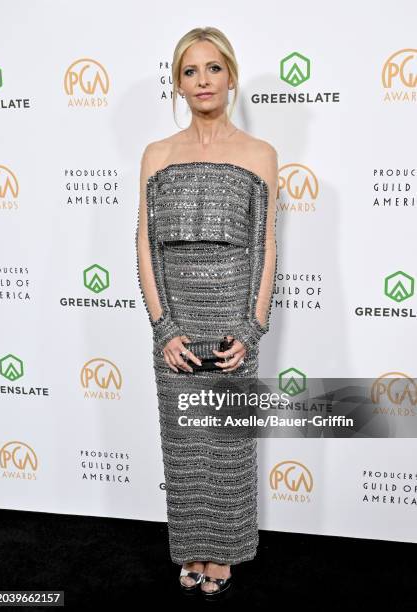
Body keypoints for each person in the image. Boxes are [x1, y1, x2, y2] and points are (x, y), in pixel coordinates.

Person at [135, 26, 278, 599]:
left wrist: (251, 326)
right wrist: (162, 326)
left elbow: (266, 247)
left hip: (232, 327)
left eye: (213, 68)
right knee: (186, 445)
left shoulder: (260, 155)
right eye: (190, 71)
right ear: (177, 82)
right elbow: (144, 244)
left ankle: (224, 552)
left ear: (231, 76)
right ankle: (192, 549)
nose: (203, 81)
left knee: (226, 444)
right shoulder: (157, 155)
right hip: (176, 325)